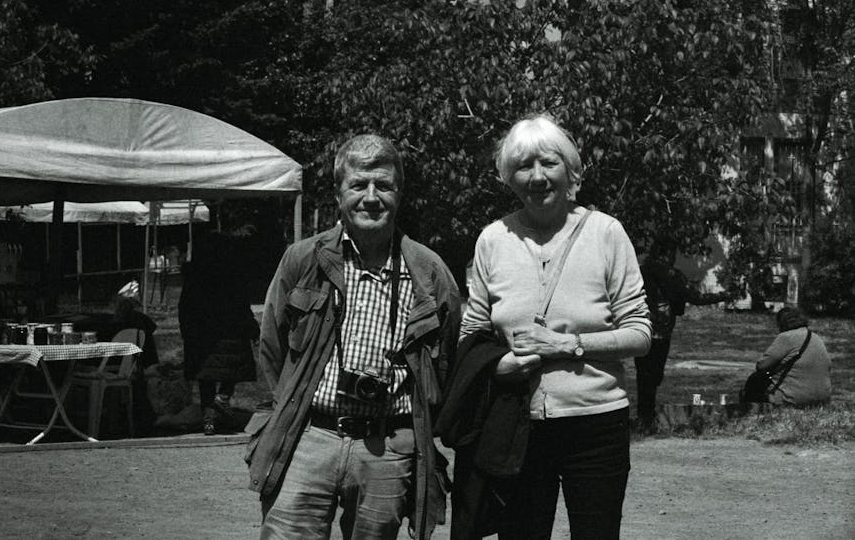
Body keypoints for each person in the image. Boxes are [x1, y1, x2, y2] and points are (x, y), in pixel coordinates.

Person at [438, 114, 651, 539]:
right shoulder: (493, 240)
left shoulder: (607, 234)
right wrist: (496, 367)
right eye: (523, 167)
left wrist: (565, 345)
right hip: (519, 424)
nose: (537, 177)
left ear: (570, 171)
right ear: (508, 178)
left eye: (549, 163)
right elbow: (472, 332)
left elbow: (640, 334)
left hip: (596, 423)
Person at [245, 134, 461, 540]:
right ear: (338, 192)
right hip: (307, 438)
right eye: (359, 184)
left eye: (384, 185)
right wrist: (292, 406)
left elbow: (447, 356)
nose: (372, 197)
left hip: (388, 447)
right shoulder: (304, 259)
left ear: (401, 191)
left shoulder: (429, 271)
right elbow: (271, 344)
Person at [634, 244, 733, 432]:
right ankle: (647, 417)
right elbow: (695, 297)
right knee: (654, 375)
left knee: (643, 375)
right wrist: (723, 296)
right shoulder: (671, 275)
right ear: (666, 253)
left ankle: (643, 416)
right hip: (661, 330)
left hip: (640, 328)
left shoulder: (639, 272)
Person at [178, 231, 259, 436]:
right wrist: (251, 327)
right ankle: (223, 397)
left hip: (201, 333)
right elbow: (241, 305)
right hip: (230, 332)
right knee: (229, 370)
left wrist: (186, 329)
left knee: (206, 377)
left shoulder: (195, 275)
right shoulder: (232, 274)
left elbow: (185, 306)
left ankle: (209, 421)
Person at [741, 307, 831, 406]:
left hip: (795, 398)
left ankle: (749, 413)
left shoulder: (786, 337)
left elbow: (761, 365)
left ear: (782, 323)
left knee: (755, 380)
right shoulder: (815, 337)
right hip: (823, 399)